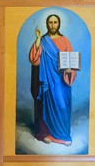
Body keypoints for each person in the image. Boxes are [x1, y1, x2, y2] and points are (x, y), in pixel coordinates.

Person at [28, 13, 75, 146]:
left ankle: (63, 136)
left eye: (55, 22)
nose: (53, 25)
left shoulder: (65, 41)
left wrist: (69, 70)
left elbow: (71, 61)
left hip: (61, 80)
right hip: (47, 80)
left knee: (62, 105)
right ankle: (45, 134)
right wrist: (38, 39)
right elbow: (34, 59)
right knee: (46, 105)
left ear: (59, 24)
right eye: (50, 22)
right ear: (47, 24)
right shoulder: (43, 40)